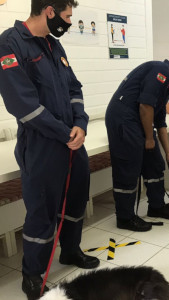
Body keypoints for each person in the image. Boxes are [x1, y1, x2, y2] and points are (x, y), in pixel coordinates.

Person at [0, 1, 100, 298]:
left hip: (71, 140)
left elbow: (74, 88)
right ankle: (32, 273)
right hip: (42, 144)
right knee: (42, 210)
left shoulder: (53, 46)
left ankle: (70, 251)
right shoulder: (10, 43)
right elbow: (22, 104)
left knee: (76, 197)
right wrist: (64, 131)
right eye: (68, 16)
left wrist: (80, 123)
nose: (70, 22)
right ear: (49, 11)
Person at [105, 55, 169, 232]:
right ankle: (125, 217)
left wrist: (168, 151)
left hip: (139, 121)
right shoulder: (160, 71)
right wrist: (149, 138)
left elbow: (160, 120)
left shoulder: (167, 83)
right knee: (129, 168)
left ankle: (156, 206)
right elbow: (145, 107)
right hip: (125, 119)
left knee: (155, 163)